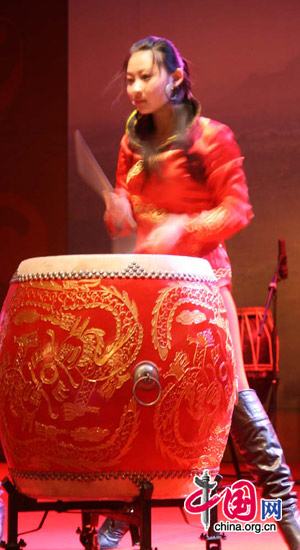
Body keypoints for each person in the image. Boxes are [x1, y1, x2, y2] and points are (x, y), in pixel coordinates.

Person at [99, 36, 300, 550]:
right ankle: (121, 516)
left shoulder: (212, 138)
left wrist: (181, 226)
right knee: (136, 402)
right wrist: (118, 211)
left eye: (147, 77)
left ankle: (288, 514)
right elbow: (125, 212)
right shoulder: (131, 145)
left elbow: (237, 210)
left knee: (233, 398)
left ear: (176, 79)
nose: (136, 88)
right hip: (145, 290)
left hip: (202, 287)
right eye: (130, 79)